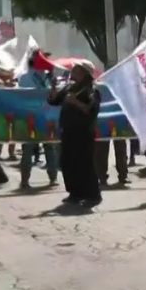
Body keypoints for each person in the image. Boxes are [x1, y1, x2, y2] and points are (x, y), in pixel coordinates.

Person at [48, 60, 103, 208]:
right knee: (67, 162)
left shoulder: (91, 90)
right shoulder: (69, 87)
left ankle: (93, 195)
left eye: (76, 70)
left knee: (84, 163)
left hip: (83, 132)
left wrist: (76, 102)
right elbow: (54, 101)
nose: (72, 72)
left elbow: (91, 111)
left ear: (84, 73)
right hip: (68, 130)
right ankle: (75, 193)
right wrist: (53, 88)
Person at [17, 56, 58, 189]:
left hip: (46, 116)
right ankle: (25, 180)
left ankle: (53, 177)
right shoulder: (25, 77)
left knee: (49, 148)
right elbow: (25, 94)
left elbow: (53, 97)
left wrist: (53, 86)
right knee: (28, 149)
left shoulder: (48, 77)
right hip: (31, 116)